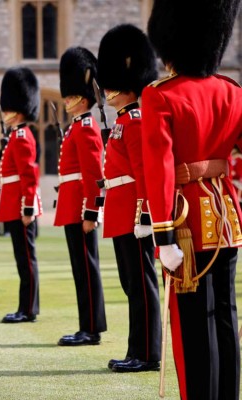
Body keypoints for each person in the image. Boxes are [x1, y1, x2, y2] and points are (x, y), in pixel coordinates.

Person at [142, 0, 242, 398]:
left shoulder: (160, 96)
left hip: (184, 226)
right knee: (225, 318)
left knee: (193, 327)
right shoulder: (232, 92)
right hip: (227, 221)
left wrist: (163, 237)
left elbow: (160, 169)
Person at [96, 24, 161, 372]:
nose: (107, 90)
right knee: (130, 284)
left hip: (135, 215)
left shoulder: (135, 121)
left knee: (141, 283)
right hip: (122, 213)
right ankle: (137, 349)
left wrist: (145, 215)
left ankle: (149, 353)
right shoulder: (123, 121)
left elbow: (145, 172)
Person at [55, 47, 107, 346]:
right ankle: (86, 325)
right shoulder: (76, 127)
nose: (66, 100)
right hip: (72, 204)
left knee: (87, 269)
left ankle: (90, 329)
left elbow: (92, 174)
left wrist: (91, 212)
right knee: (81, 268)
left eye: (71, 96)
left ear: (83, 99)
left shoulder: (86, 127)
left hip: (81, 208)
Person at [0, 67, 42, 323]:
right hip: (13, 204)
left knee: (26, 259)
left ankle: (28, 308)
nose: (4, 113)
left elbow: (29, 175)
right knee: (21, 259)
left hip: (20, 207)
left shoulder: (23, 136)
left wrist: (27, 208)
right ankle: (25, 306)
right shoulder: (15, 136)